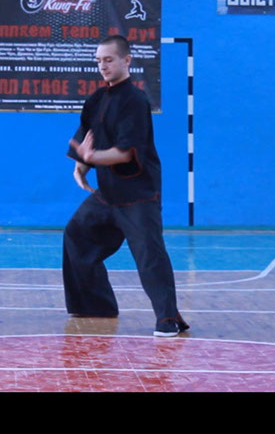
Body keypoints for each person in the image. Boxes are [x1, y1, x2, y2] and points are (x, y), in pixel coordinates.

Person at [63, 34, 189, 337]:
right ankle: (96, 305)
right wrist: (81, 166)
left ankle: (168, 319)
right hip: (107, 195)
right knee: (77, 234)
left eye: (109, 60)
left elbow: (123, 153)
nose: (102, 66)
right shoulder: (96, 100)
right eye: (99, 61)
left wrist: (92, 158)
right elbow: (88, 137)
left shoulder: (135, 100)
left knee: (149, 255)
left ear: (127, 60)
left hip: (138, 195)